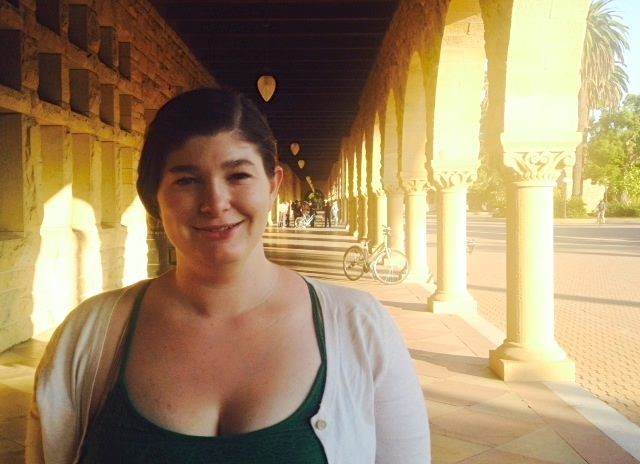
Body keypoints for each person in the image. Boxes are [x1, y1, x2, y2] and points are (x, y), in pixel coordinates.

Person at [26, 88, 430, 463]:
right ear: (154, 197)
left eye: (238, 176)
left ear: (273, 185)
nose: (215, 203)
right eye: (187, 180)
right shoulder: (87, 337)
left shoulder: (359, 328)